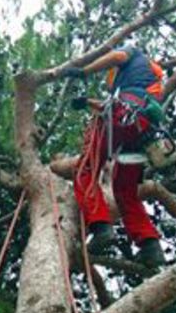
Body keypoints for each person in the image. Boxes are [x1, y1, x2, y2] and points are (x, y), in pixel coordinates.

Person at [62, 45, 166, 268]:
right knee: (125, 189)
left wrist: (83, 71)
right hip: (142, 129)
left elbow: (117, 56)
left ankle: (101, 228)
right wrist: (87, 102)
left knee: (85, 171)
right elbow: (125, 103)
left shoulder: (134, 53)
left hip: (120, 116)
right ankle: (150, 246)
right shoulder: (149, 81)